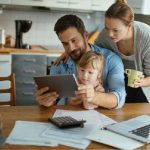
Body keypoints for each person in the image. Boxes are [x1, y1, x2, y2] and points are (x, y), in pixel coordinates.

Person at [35, 14, 126, 109]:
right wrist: (46, 101)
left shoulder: (111, 60)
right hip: (66, 120)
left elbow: (119, 99)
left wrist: (93, 96)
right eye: (65, 44)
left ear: (86, 36)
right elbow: (54, 103)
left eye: (74, 40)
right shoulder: (59, 65)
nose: (71, 48)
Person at [95, 0, 150, 103]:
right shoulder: (105, 35)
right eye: (107, 28)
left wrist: (141, 81)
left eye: (115, 30)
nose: (110, 34)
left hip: (143, 86)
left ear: (129, 26)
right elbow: (93, 52)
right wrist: (69, 53)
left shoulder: (147, 37)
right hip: (117, 82)